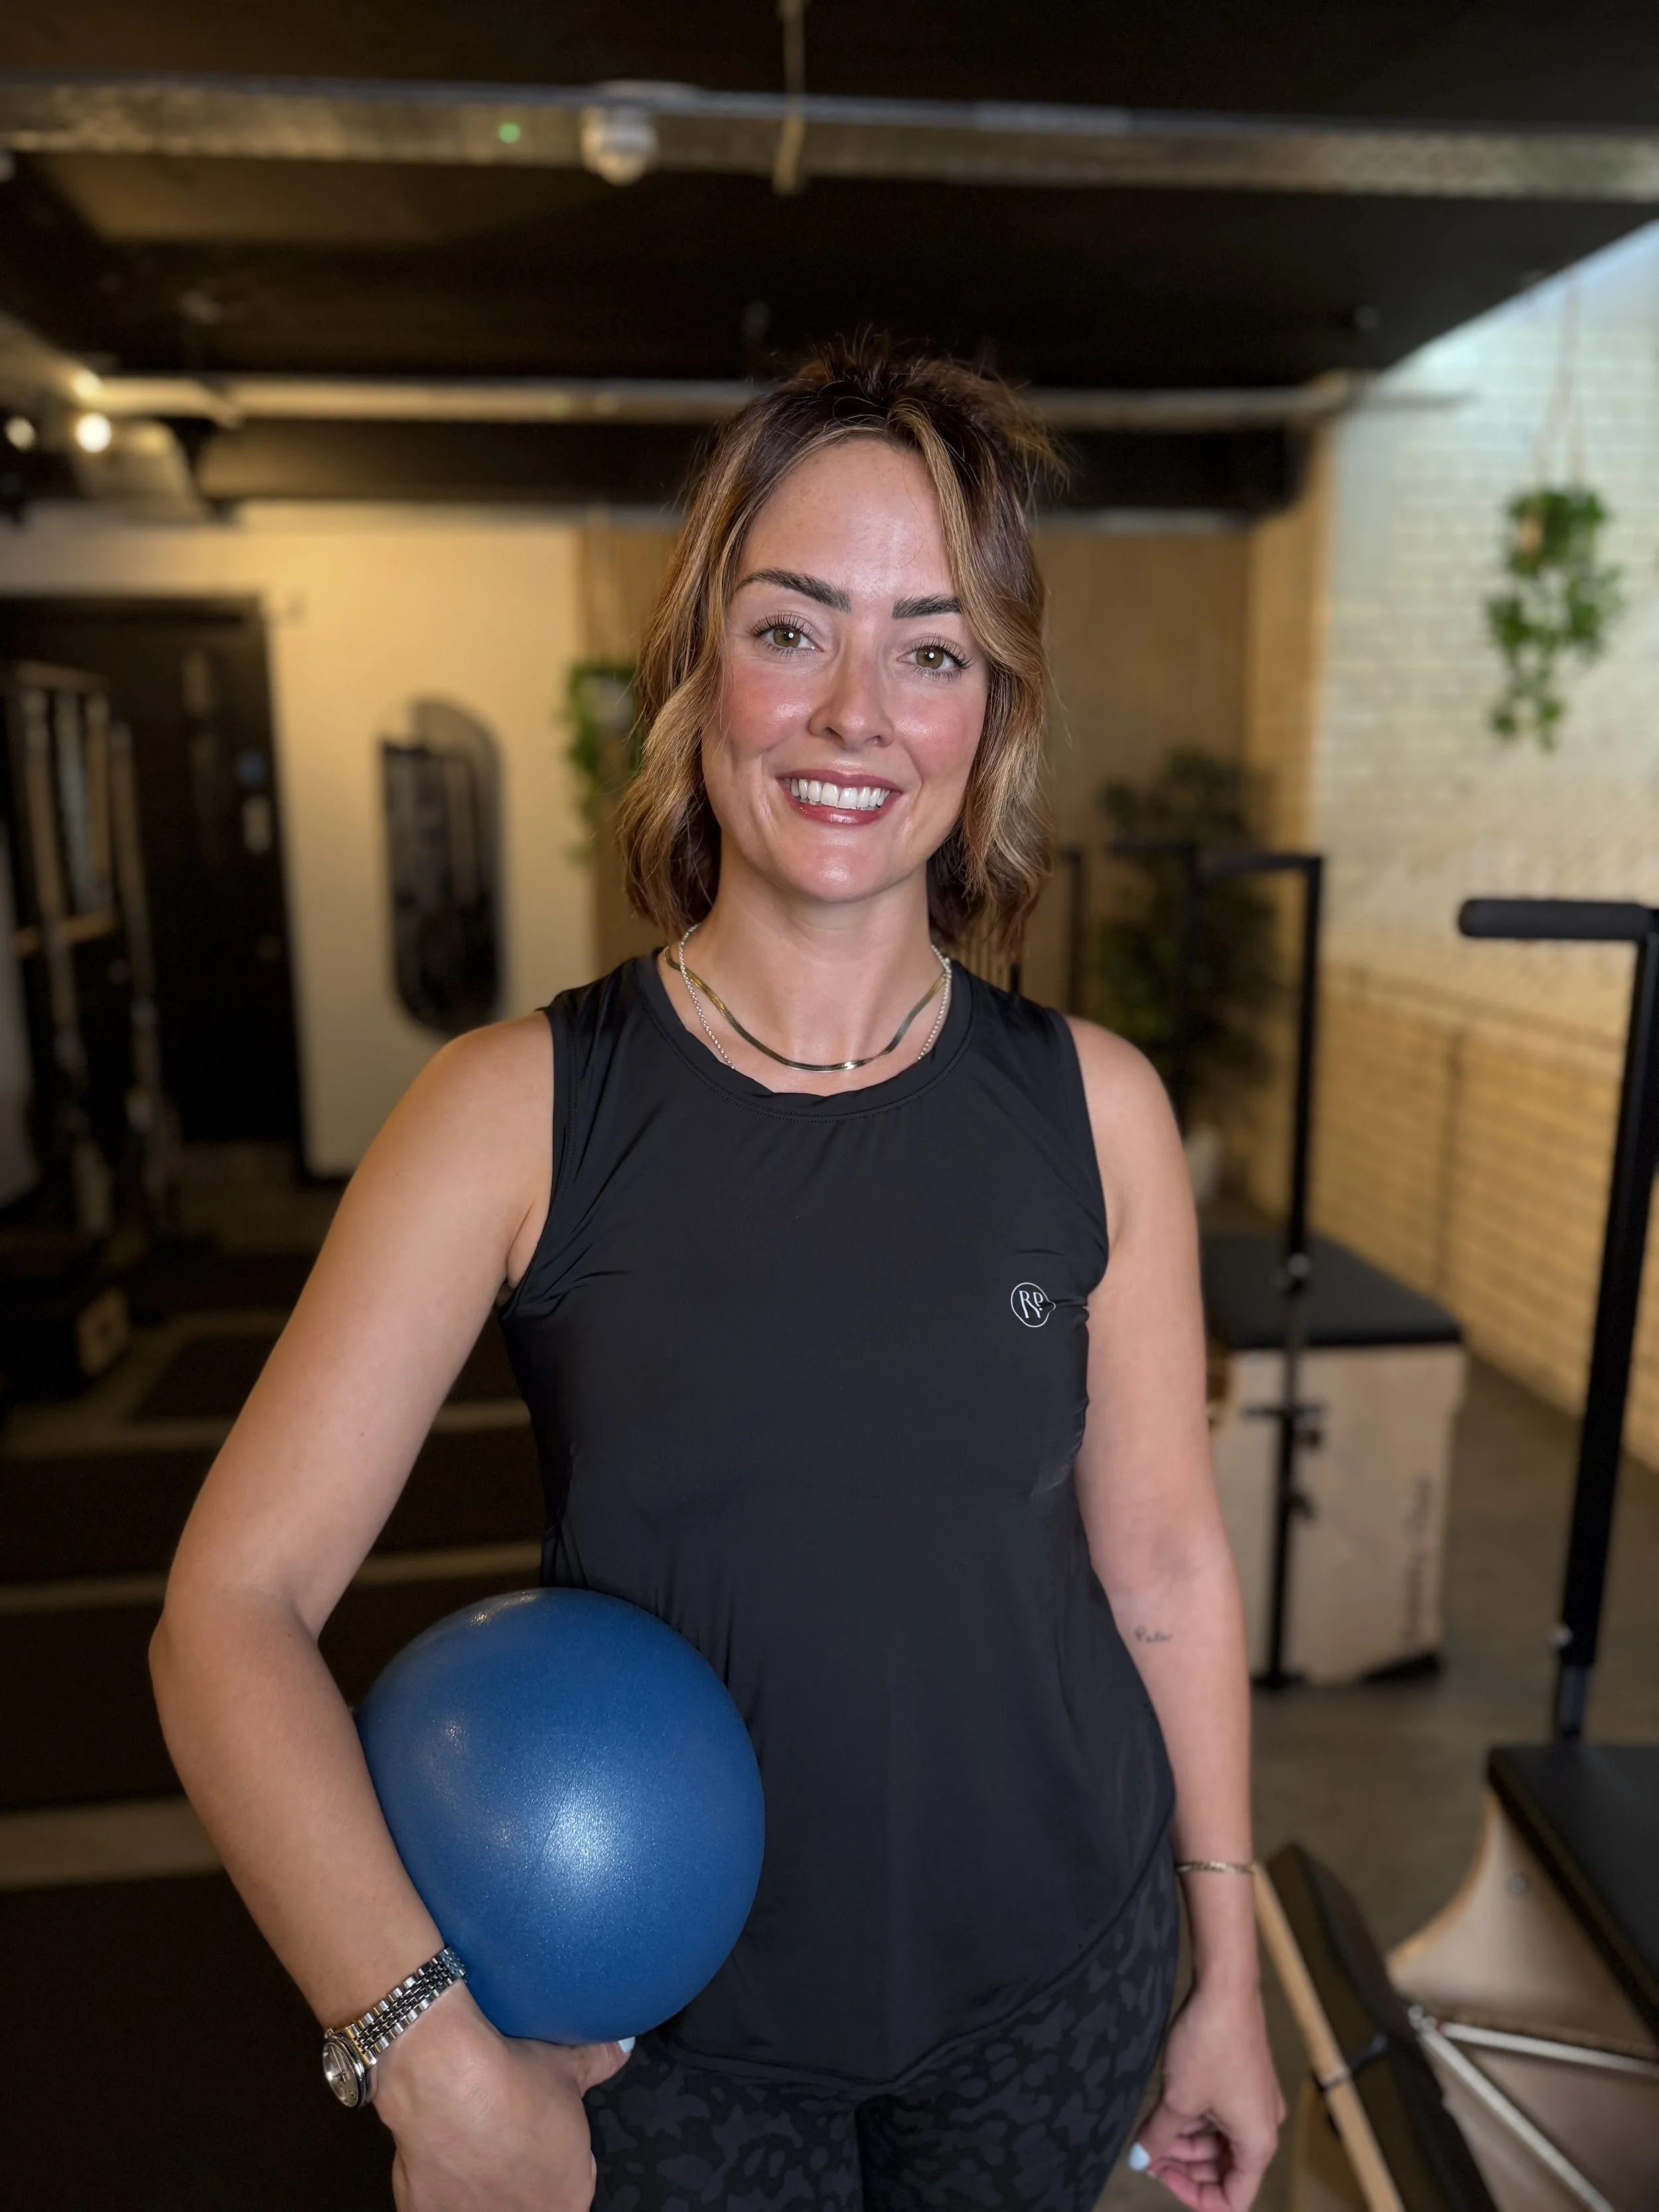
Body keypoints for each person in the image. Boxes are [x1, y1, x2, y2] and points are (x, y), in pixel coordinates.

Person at [152, 340, 1283, 2212]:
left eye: (930, 647)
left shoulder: (1096, 1110)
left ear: (990, 714)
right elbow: (228, 1609)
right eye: (790, 629)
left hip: (1054, 1996)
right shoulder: (514, 1110)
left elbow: (1158, 1561)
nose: (856, 711)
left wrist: (1223, 1967)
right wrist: (426, 2060)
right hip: (670, 2056)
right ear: (696, 673)